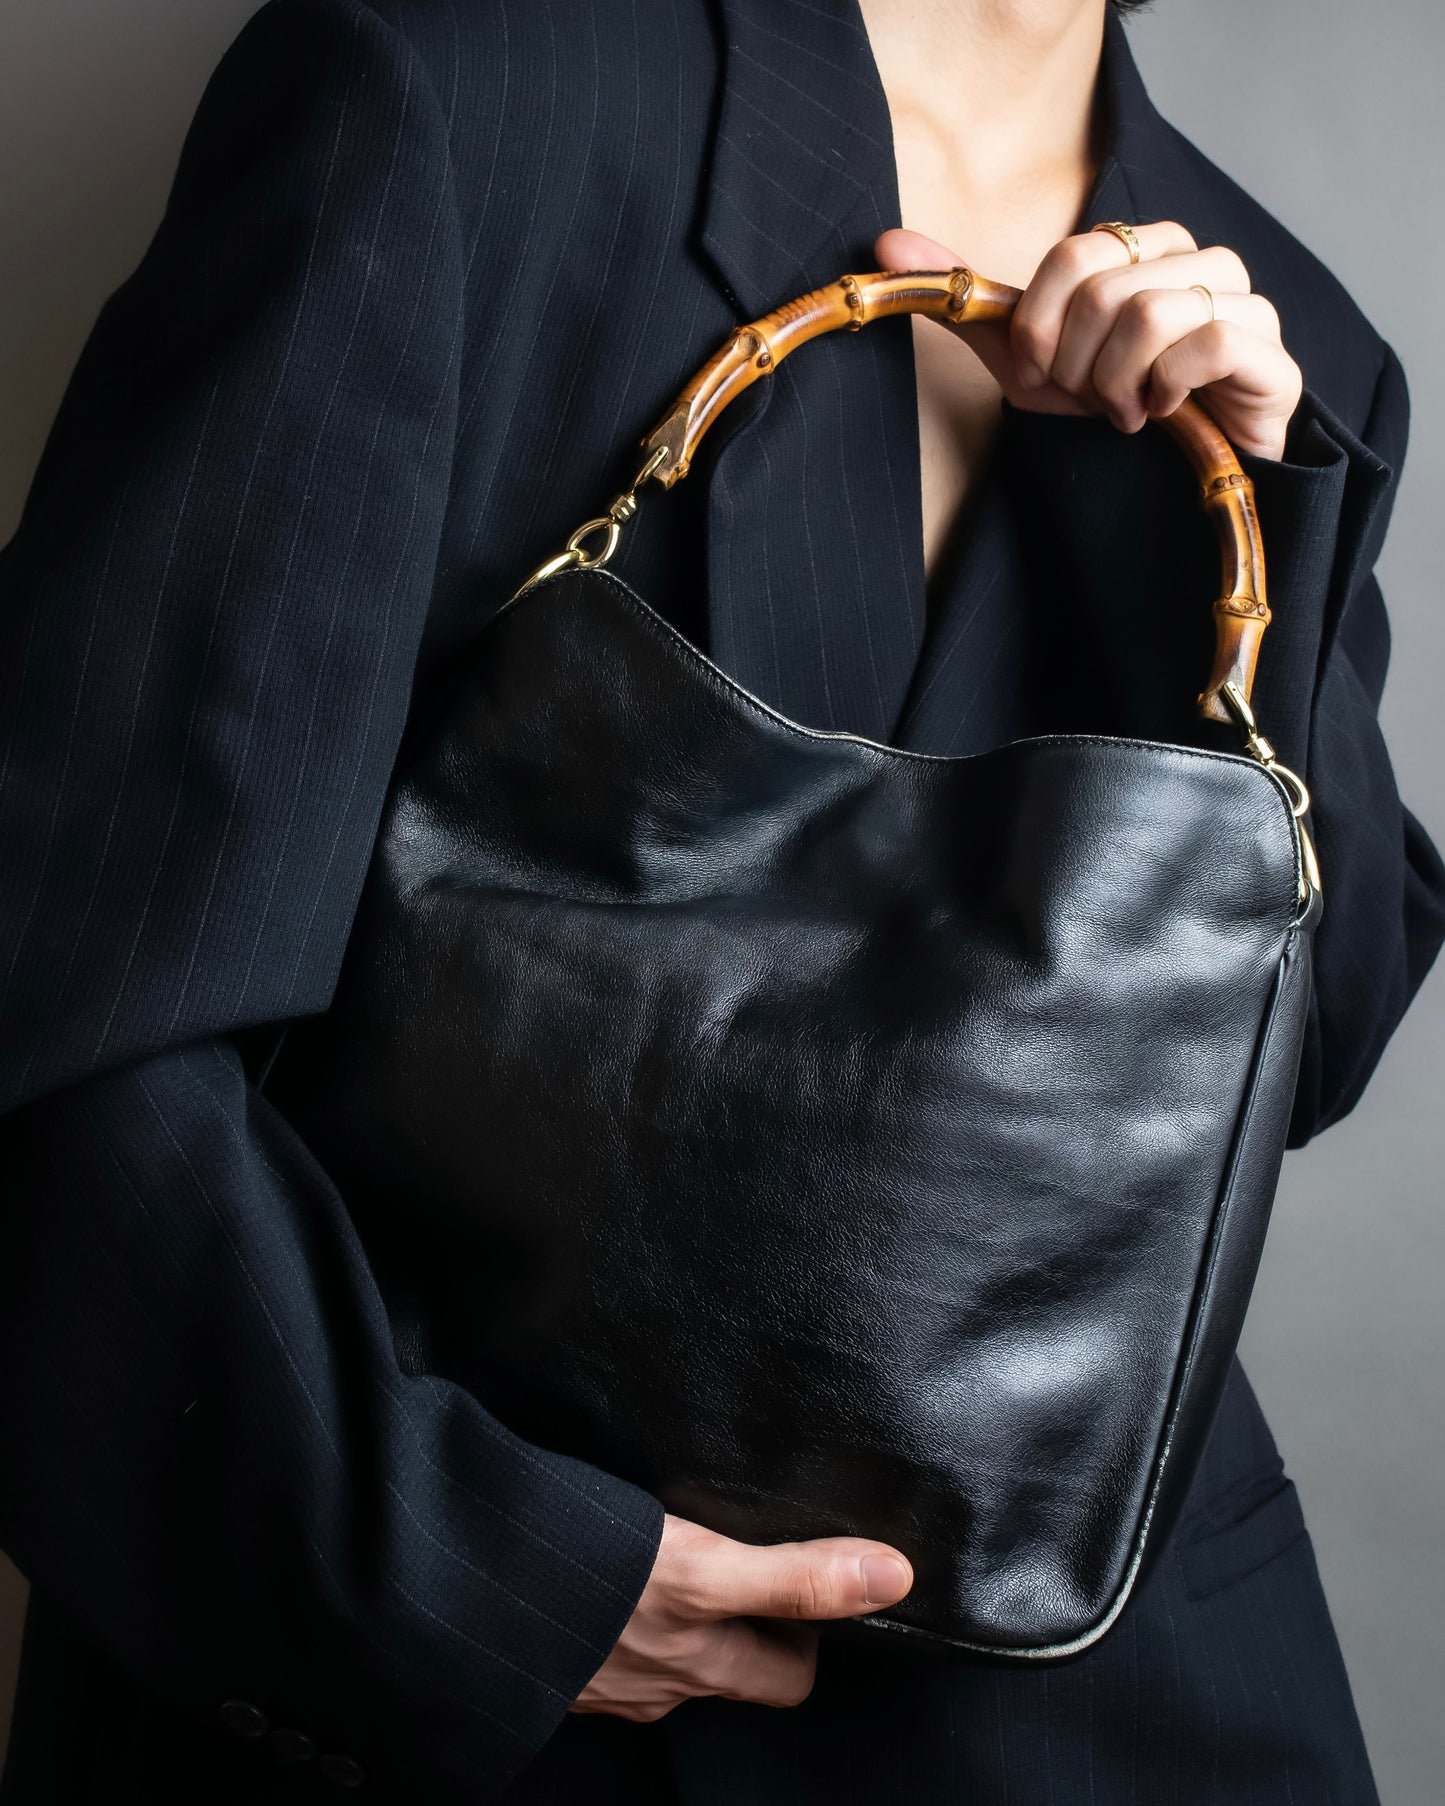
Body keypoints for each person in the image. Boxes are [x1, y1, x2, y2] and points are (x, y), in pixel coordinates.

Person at [1, 0, 1439, 1800]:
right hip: (465, 1695)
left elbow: (1303, 1056)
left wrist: (1232, 542)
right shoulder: (450, 106)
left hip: (1098, 1713)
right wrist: (462, 1567)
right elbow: (73, 977)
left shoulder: (1291, 332)